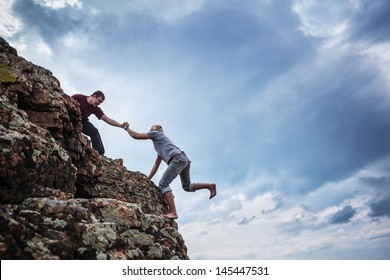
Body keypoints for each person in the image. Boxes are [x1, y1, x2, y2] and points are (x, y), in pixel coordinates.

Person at [124, 123, 217, 219]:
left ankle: (173, 212)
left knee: (163, 184)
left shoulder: (156, 133)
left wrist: (127, 128)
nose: (149, 130)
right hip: (183, 159)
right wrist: (148, 178)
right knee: (187, 186)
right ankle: (209, 185)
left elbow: (136, 136)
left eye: (151, 128)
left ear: (156, 129)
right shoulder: (161, 144)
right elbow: (156, 165)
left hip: (177, 159)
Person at [72, 90, 126, 155]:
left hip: (82, 120)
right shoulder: (79, 97)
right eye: (99, 101)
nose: (99, 103)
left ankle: (99, 153)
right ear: (94, 96)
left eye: (101, 102)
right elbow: (66, 101)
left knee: (94, 131)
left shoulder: (96, 109)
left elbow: (107, 119)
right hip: (73, 115)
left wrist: (121, 125)